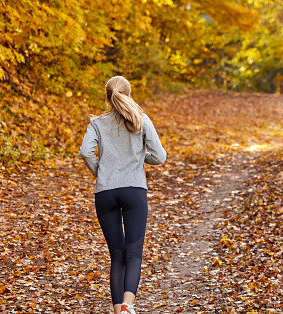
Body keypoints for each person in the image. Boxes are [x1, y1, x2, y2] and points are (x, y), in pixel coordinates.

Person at [80, 76, 166, 314]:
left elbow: (86, 152)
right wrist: (139, 157)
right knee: (134, 253)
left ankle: (119, 311)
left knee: (117, 255)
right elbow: (159, 156)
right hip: (134, 191)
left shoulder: (96, 122)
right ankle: (128, 306)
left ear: (107, 96)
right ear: (129, 95)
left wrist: (102, 172)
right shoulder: (141, 120)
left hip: (105, 192)